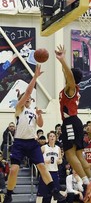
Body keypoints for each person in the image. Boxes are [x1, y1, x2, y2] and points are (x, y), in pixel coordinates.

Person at [3, 65, 65, 203]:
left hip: (31, 142)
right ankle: (9, 194)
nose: (27, 98)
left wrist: (39, 115)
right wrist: (35, 77)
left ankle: (54, 191)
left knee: (42, 166)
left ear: (31, 101)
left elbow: (41, 125)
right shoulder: (19, 108)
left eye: (29, 98)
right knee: (13, 170)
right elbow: (27, 92)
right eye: (25, 97)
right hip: (19, 142)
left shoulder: (33, 111)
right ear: (22, 99)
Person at [55, 44, 91, 202]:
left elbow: (68, 76)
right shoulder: (73, 89)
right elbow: (67, 74)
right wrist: (63, 64)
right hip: (76, 122)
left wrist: (62, 60)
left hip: (70, 122)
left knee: (69, 153)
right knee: (80, 155)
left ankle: (87, 183)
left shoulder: (71, 88)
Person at [37, 131, 63, 203]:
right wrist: (44, 161)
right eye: (50, 136)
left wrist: (59, 161)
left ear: (56, 138)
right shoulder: (43, 147)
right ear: (48, 138)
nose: (52, 137)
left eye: (53, 136)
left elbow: (60, 159)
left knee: (56, 194)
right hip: (46, 172)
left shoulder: (58, 148)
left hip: (55, 171)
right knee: (46, 194)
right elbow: (37, 158)